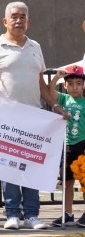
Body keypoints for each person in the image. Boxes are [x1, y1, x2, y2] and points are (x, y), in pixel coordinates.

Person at [0, 2, 62, 230]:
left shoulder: (35, 47)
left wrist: (55, 105)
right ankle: (12, 213)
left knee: (31, 167)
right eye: (14, 16)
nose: (18, 20)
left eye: (23, 16)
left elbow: (40, 84)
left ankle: (32, 215)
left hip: (33, 116)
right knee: (10, 166)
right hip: (5, 117)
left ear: (29, 21)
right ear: (5, 21)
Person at [48, 65, 85, 227]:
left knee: (84, 181)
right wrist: (56, 77)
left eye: (78, 83)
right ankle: (68, 213)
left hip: (82, 145)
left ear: (83, 85)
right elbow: (49, 93)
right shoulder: (63, 99)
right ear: (65, 85)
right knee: (67, 181)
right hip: (67, 146)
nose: (74, 87)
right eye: (71, 83)